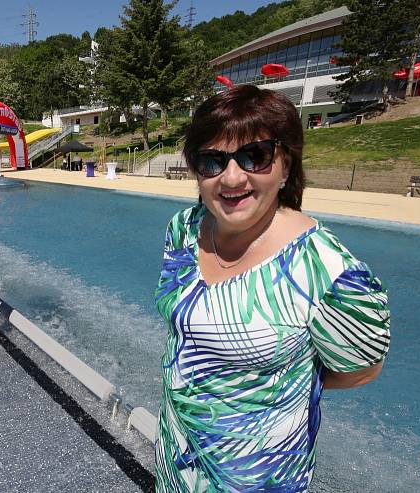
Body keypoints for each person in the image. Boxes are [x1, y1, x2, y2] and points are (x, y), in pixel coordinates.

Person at [154, 85, 390, 492]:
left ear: (286, 165)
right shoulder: (185, 230)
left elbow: (362, 372)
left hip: (255, 475)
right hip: (178, 455)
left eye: (255, 156)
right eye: (212, 160)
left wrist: (269, 385)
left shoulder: (326, 270)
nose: (231, 177)